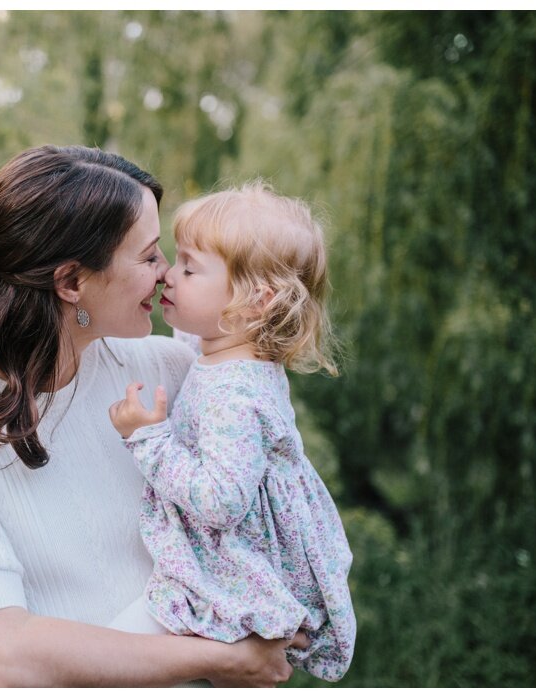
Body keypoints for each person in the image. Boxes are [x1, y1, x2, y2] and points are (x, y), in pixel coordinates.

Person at [0, 146, 307, 687]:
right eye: (150, 257)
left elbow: (267, 516)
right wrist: (222, 658)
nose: (167, 274)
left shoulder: (175, 372)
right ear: (72, 282)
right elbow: (4, 659)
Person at [107, 182, 355, 681]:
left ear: (252, 302)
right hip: (235, 553)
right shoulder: (228, 348)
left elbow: (221, 500)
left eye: (189, 268)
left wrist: (147, 440)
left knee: (118, 649)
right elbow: (206, 340)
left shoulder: (236, 395)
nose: (168, 275)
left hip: (235, 566)